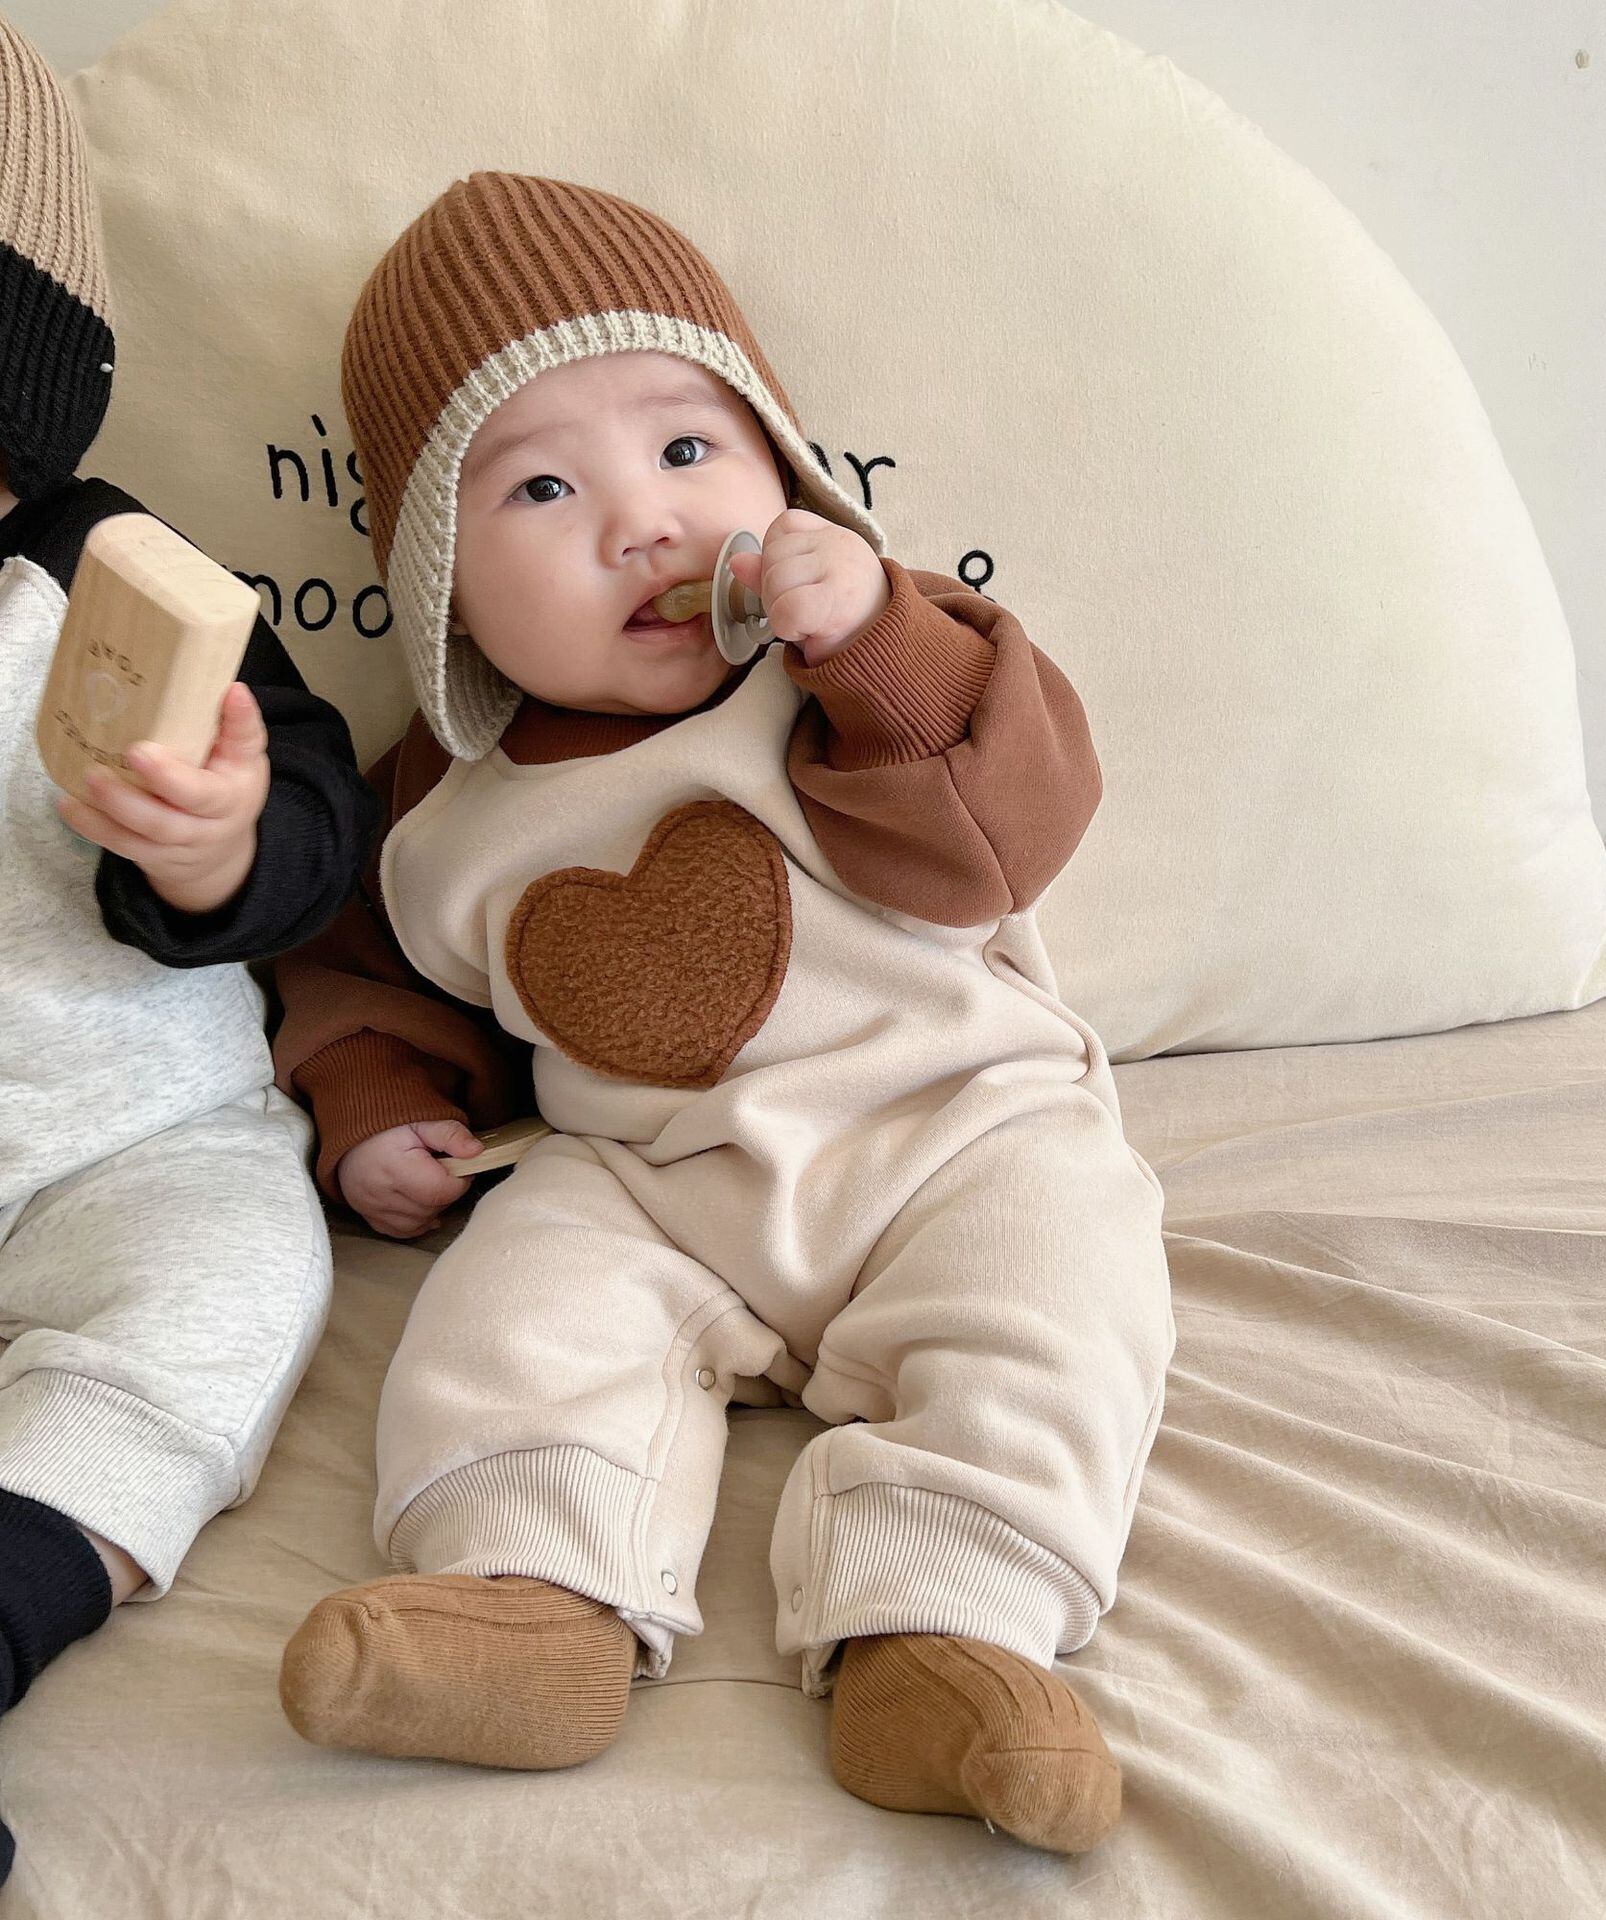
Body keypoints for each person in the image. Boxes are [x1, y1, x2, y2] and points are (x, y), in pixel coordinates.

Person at [272, 170, 1173, 1856]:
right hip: (651, 1178)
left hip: (952, 1129)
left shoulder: (861, 677)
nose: (643, 524)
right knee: (517, 1305)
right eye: (542, 487)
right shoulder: (432, 803)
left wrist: (875, 637)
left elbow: (1007, 836)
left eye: (689, 448)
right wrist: (376, 1099)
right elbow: (353, 967)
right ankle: (532, 1595)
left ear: (778, 465)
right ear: (439, 579)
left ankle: (949, 1627)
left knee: (1062, 1287)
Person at [0, 19, 378, 1886]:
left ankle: (23, 1567)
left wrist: (218, 842)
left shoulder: (115, 569)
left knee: (224, 1288)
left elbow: (314, 793)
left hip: (128, 1140)